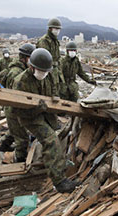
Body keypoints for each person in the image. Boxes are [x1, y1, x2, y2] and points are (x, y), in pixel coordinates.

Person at [12, 48, 80, 193]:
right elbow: (16, 110)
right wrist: (37, 108)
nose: (43, 74)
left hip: (46, 113)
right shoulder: (20, 82)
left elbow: (53, 90)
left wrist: (55, 99)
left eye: (45, 71)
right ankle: (59, 181)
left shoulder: (47, 75)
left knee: (59, 134)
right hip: (30, 117)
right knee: (51, 140)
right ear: (31, 66)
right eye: (40, 71)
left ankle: (54, 162)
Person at [0, 43, 36, 161]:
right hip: (14, 108)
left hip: (16, 108)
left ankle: (1, 148)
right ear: (24, 58)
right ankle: (19, 160)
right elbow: (15, 95)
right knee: (22, 139)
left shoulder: (22, 69)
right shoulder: (16, 72)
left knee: (14, 130)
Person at [36, 18, 64, 99]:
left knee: (56, 92)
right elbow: (43, 59)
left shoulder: (55, 41)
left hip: (55, 71)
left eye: (58, 29)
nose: (57, 31)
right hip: (46, 71)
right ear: (50, 28)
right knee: (47, 93)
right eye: (56, 29)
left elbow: (58, 57)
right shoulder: (44, 41)